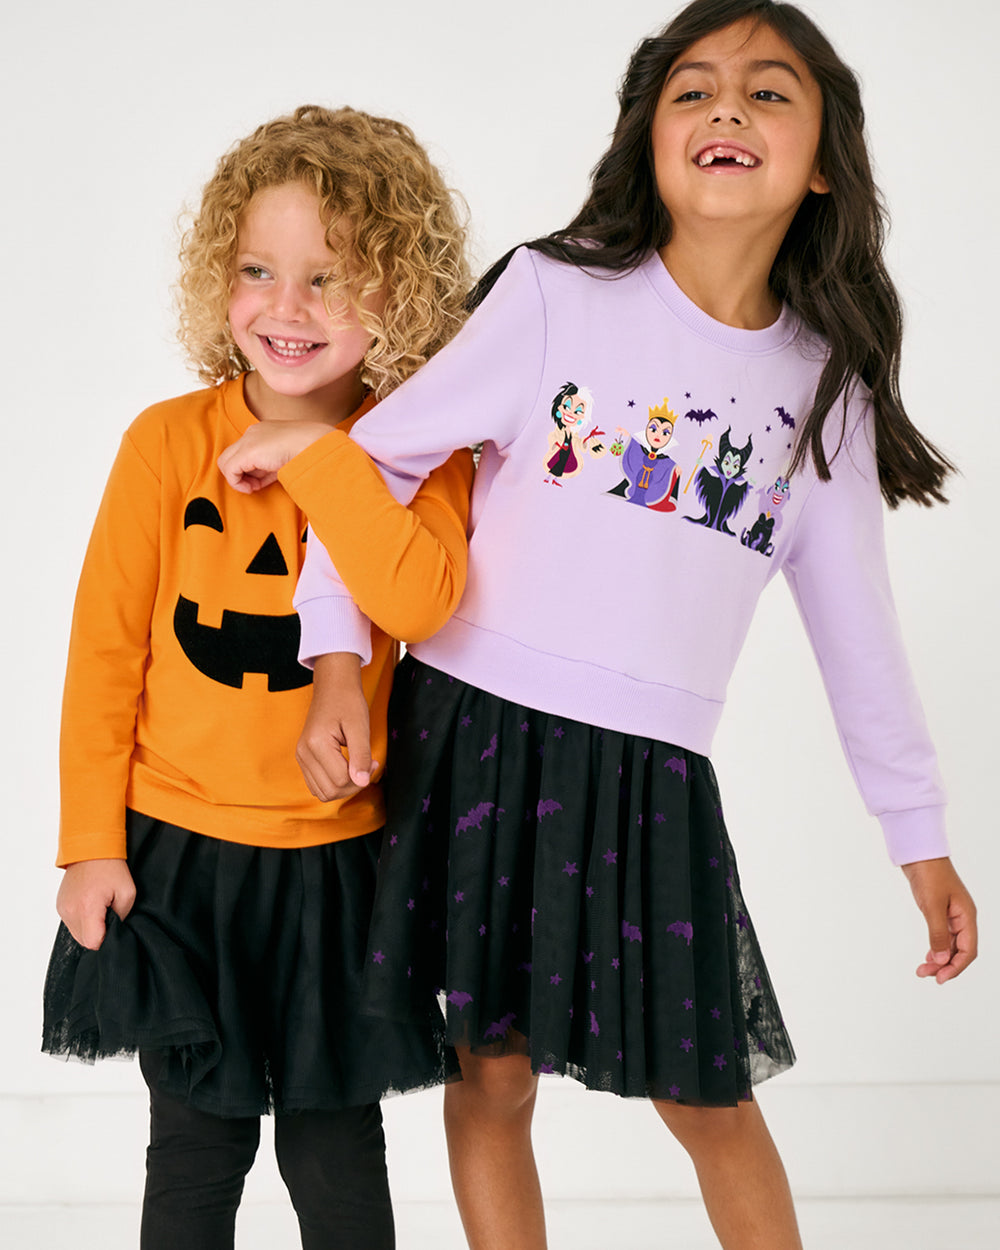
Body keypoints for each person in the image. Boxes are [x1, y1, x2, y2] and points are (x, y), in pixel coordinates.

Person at [217, 4, 978, 1248]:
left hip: (648, 777)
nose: (727, 106)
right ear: (649, 136)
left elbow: (860, 638)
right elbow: (372, 466)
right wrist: (338, 661)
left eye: (768, 91)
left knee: (708, 1095)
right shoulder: (555, 290)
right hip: (471, 732)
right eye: (694, 88)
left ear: (822, 160)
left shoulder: (823, 391)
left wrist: (919, 837)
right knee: (491, 1075)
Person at [42, 104, 474, 1250]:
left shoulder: (421, 458)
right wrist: (90, 840)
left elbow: (416, 600)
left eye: (328, 278)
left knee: (333, 1151)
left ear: (398, 292)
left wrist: (318, 458)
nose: (286, 307)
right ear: (217, 278)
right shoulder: (165, 443)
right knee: (195, 1141)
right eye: (257, 271)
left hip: (337, 860)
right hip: (179, 851)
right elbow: (105, 654)